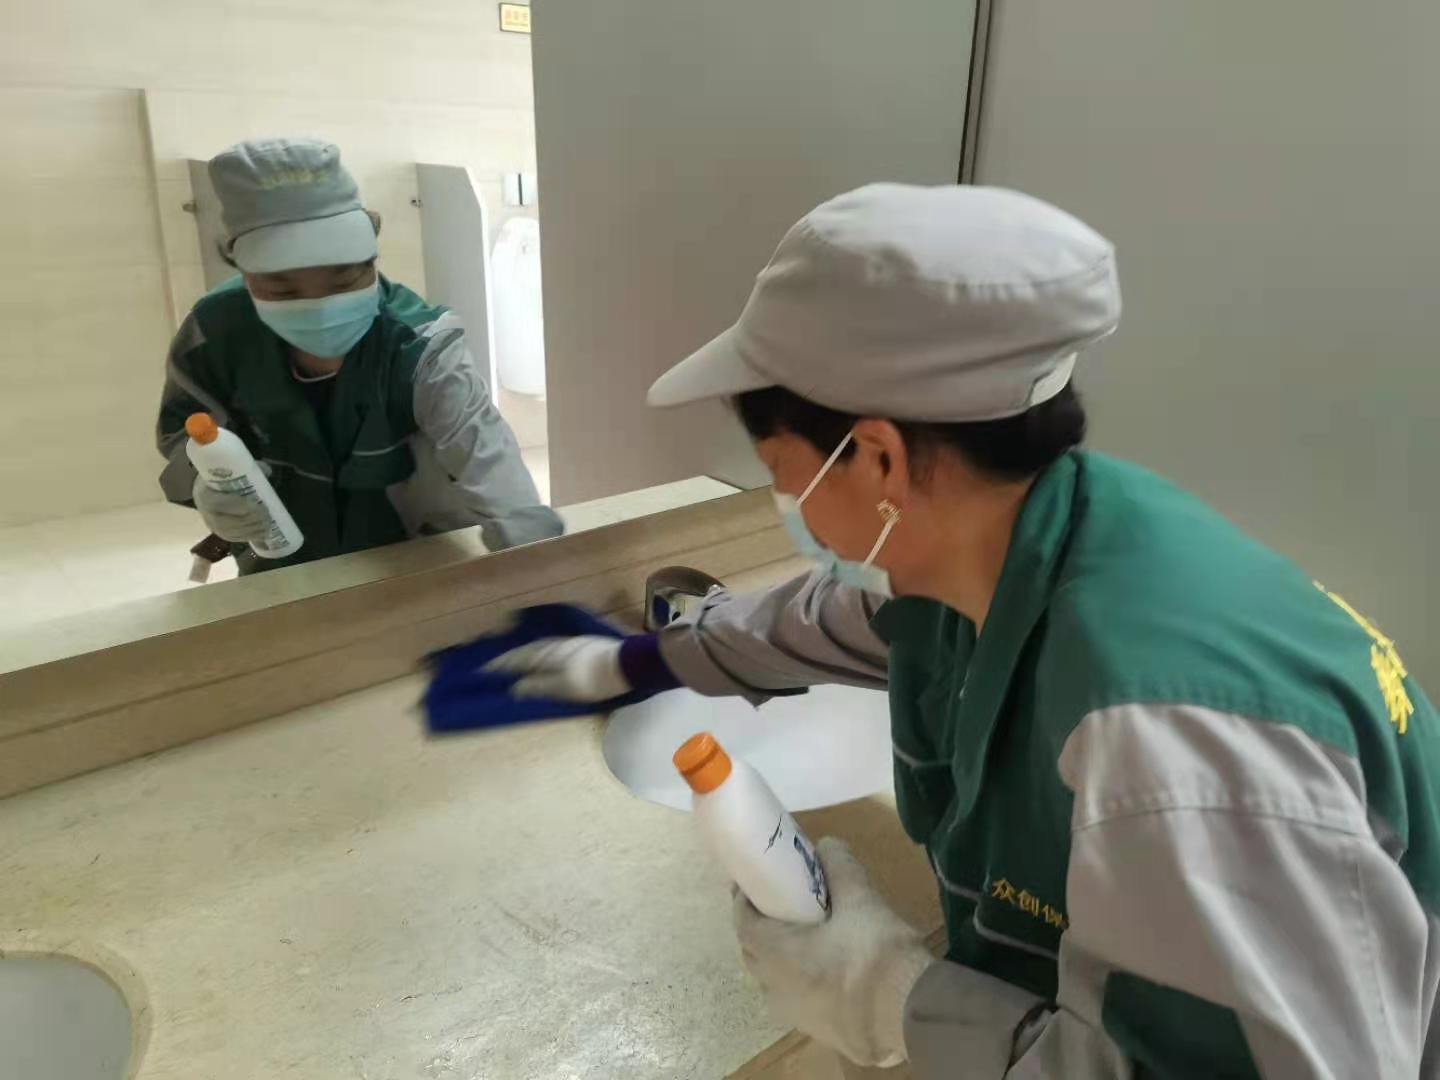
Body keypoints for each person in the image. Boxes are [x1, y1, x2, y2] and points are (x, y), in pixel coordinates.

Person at [484, 184, 1440, 1076]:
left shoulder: (1166, 744)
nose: (784, 502)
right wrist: (633, 661)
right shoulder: (1024, 543)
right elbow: (823, 621)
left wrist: (893, 996)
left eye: (780, 470)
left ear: (878, 459)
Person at [156, 138, 561, 573]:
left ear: (371, 257)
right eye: (282, 288)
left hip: (413, 554)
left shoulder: (419, 343)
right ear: (240, 268)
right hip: (283, 557)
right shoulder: (215, 333)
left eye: (344, 277)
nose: (320, 306)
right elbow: (183, 429)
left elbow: (482, 448)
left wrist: (531, 541)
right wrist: (203, 483)